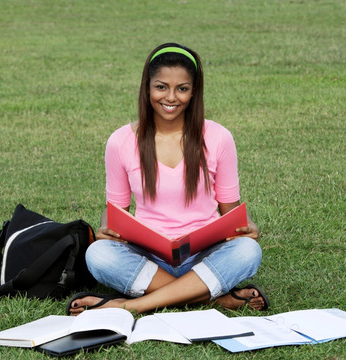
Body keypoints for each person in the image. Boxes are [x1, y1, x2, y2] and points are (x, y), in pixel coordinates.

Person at [67, 43, 269, 315]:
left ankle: (132, 305)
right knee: (98, 255)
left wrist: (248, 226)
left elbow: (230, 213)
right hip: (149, 257)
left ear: (193, 91)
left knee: (248, 251)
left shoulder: (219, 137)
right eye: (161, 87)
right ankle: (208, 297)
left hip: (203, 255)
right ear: (147, 87)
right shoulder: (121, 141)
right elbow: (114, 212)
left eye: (182, 89)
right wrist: (107, 229)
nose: (171, 97)